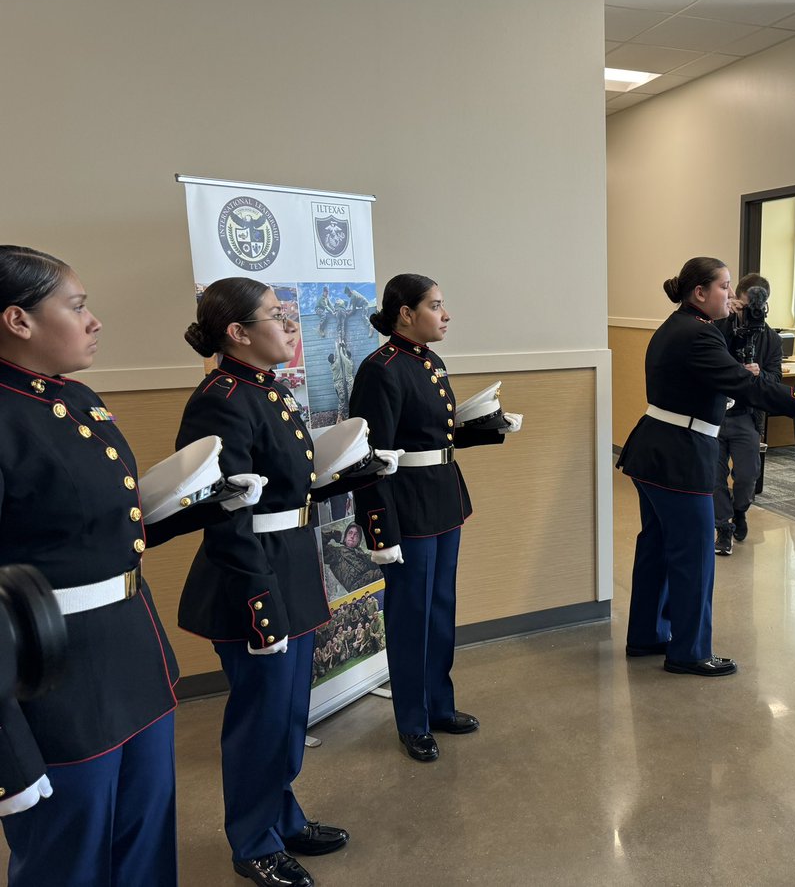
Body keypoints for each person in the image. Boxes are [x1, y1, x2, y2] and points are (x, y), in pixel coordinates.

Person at [0, 246, 251, 885]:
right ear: (18, 321)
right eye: (77, 306)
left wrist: (206, 507)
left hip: (132, 653)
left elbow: (110, 536)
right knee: (71, 857)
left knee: (145, 840)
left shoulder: (78, 399)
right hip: (52, 678)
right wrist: (7, 753)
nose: (94, 321)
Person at [177, 277, 396, 887]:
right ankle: (252, 842)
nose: (291, 326)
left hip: (291, 566)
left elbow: (287, 488)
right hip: (253, 579)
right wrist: (259, 599)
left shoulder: (266, 390)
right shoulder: (221, 398)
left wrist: (354, 473)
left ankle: (281, 816)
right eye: (277, 316)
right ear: (238, 333)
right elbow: (226, 515)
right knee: (260, 722)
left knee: (287, 715)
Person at [616, 257, 795, 677]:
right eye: (725, 287)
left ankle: (648, 635)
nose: (732, 295)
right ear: (700, 293)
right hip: (681, 455)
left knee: (657, 547)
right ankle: (689, 652)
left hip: (656, 449)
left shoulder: (681, 326)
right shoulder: (699, 335)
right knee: (693, 556)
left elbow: (713, 379)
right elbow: (750, 385)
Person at [349, 273, 520, 763]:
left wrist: (489, 426)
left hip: (444, 500)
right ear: (406, 312)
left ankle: (439, 705)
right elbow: (373, 456)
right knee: (411, 617)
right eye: (436, 305)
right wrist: (380, 530)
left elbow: (435, 436)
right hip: (408, 510)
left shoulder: (431, 360)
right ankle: (413, 721)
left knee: (441, 611)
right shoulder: (379, 369)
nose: (445, 315)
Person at [713, 273, 783, 556]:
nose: (746, 314)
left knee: (746, 476)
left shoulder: (771, 340)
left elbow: (775, 379)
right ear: (733, 301)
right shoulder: (718, 328)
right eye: (740, 307)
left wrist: (760, 374)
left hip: (746, 416)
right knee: (713, 477)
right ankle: (723, 527)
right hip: (715, 415)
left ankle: (740, 510)